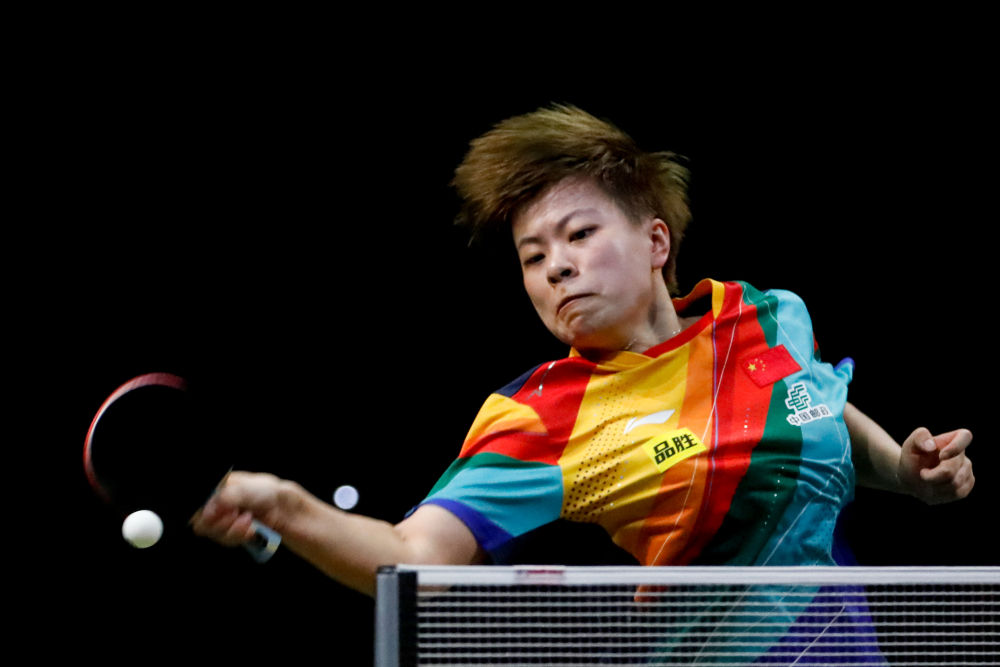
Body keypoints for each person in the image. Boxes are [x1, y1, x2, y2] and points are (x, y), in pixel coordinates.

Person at [191, 104, 974, 598]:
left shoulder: (767, 316)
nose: (556, 267)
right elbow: (417, 558)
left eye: (579, 234)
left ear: (656, 242)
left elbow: (814, 403)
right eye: (532, 256)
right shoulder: (542, 416)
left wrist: (904, 470)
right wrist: (286, 506)